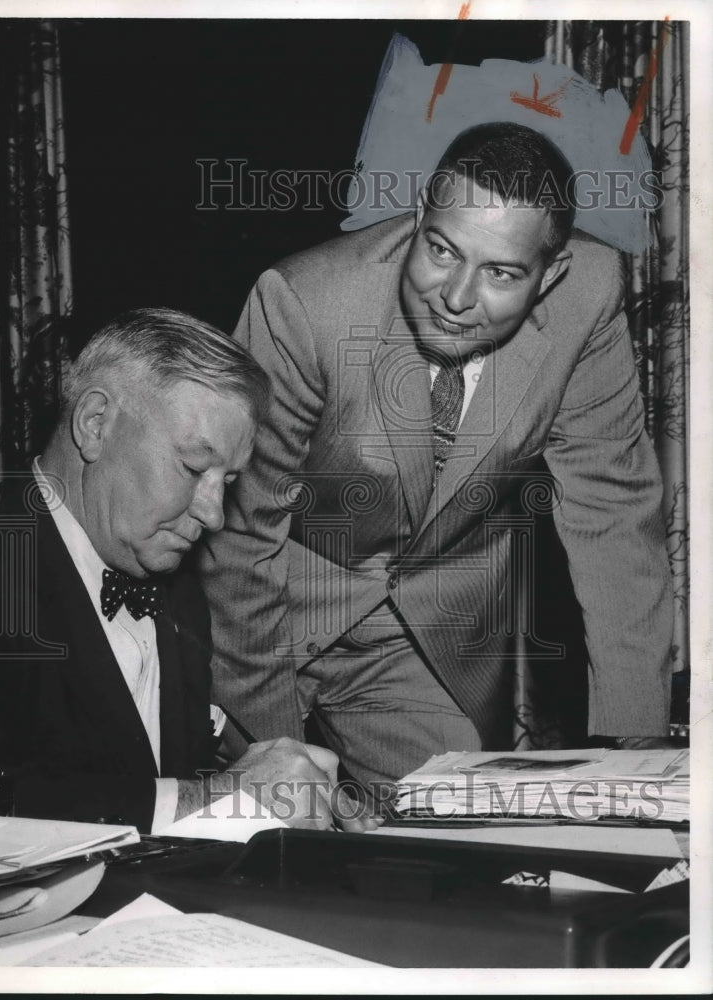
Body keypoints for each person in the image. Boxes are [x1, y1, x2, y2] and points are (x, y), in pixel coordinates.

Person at [199, 122, 674, 792]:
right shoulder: (303, 302)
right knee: (264, 830)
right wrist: (275, 747)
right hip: (270, 612)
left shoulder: (588, 294)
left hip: (421, 630)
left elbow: (614, 512)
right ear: (419, 216)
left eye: (501, 273)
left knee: (459, 827)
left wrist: (640, 743)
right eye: (442, 250)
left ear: (550, 274)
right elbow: (241, 540)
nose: (454, 299)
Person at [0, 307, 378, 833]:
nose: (214, 512)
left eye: (230, 480)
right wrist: (216, 798)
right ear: (95, 424)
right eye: (194, 467)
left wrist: (285, 777)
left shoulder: (174, 577)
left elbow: (150, 762)